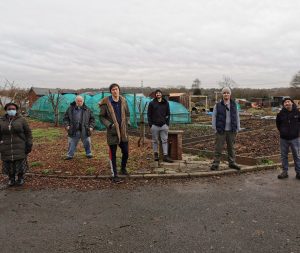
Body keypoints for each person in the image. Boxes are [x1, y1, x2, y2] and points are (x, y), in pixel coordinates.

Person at [99, 83, 130, 183]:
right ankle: (115, 175)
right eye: (113, 90)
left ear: (119, 90)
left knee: (126, 152)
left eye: (116, 89)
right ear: (111, 91)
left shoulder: (123, 101)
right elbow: (101, 117)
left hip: (123, 131)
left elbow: (128, 113)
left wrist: (127, 122)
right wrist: (109, 125)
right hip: (112, 132)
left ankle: (123, 168)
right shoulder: (106, 103)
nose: (115, 91)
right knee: (113, 154)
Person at [0, 102, 32, 186]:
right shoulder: (1, 120)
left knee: (20, 162)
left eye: (13, 109)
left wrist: (29, 144)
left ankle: (20, 178)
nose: (11, 110)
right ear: (6, 110)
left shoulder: (22, 119)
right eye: (9, 109)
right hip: (6, 146)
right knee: (9, 162)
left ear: (16, 110)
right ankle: (11, 178)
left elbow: (28, 132)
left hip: (20, 145)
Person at [210, 87, 241, 170]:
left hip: (231, 130)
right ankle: (216, 163)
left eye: (227, 93)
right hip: (221, 130)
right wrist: (215, 128)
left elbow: (237, 117)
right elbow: (214, 117)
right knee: (218, 147)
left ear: (230, 94)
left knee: (231, 148)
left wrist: (238, 128)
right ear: (222, 95)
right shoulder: (218, 105)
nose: (226, 94)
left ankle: (232, 163)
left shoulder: (234, 105)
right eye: (224, 93)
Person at [63, 95, 95, 159]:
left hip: (85, 129)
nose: (79, 102)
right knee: (71, 143)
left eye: (81, 101)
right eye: (78, 101)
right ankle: (70, 155)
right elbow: (65, 118)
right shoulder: (70, 109)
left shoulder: (87, 109)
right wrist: (67, 126)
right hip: (73, 129)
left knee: (87, 142)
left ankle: (88, 153)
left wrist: (91, 127)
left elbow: (92, 119)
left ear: (83, 101)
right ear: (75, 101)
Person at [276, 97, 300, 179]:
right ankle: (285, 172)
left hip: (295, 138)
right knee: (284, 156)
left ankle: (299, 172)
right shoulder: (280, 114)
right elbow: (278, 125)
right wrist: (283, 132)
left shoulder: (297, 112)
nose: (287, 103)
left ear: (292, 103)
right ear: (283, 105)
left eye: (288, 101)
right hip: (284, 139)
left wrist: (297, 132)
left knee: (296, 155)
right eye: (285, 102)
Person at [147, 89, 173, 163]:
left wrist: (167, 124)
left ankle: (165, 156)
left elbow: (168, 114)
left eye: (159, 93)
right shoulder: (152, 103)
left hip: (163, 125)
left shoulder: (166, 103)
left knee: (164, 140)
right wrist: (150, 125)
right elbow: (149, 114)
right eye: (157, 93)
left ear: (161, 94)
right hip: (154, 125)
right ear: (155, 95)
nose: (158, 94)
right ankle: (156, 155)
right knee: (155, 141)